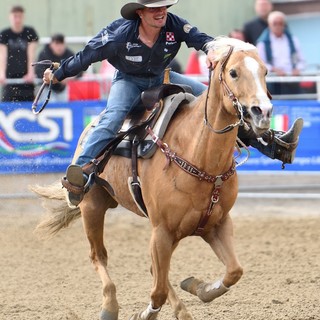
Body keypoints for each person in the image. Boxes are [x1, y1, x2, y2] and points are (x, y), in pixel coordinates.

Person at [42, 0, 303, 206]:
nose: (161, 12)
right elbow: (87, 55)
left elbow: (201, 39)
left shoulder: (174, 25)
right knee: (112, 118)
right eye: (155, 9)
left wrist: (213, 50)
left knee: (215, 103)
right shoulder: (119, 35)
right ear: (141, 13)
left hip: (162, 76)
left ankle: (273, 145)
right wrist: (57, 74)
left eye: (164, 7)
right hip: (128, 81)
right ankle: (80, 176)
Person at [256, 11, 305, 95]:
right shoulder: (263, 43)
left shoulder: (293, 40)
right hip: (273, 82)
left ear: (284, 24)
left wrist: (297, 69)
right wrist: (274, 69)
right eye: (275, 23)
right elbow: (260, 63)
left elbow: (301, 61)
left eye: (280, 23)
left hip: (292, 80)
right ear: (269, 25)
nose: (278, 26)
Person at [0, 5, 38, 102]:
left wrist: (30, 72)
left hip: (26, 78)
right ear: (10, 17)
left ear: (23, 17)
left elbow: (31, 54)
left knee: (29, 105)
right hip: (10, 78)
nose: (17, 19)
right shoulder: (4, 34)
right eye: (15, 16)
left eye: (19, 16)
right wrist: (1, 74)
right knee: (8, 104)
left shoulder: (30, 32)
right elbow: (3, 55)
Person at [35, 33, 77, 102]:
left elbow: (78, 68)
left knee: (63, 108)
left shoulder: (69, 54)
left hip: (62, 89)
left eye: (61, 44)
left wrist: (70, 77)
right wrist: (56, 77)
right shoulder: (44, 54)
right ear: (51, 44)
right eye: (57, 44)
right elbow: (38, 71)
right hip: (47, 88)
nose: (59, 47)